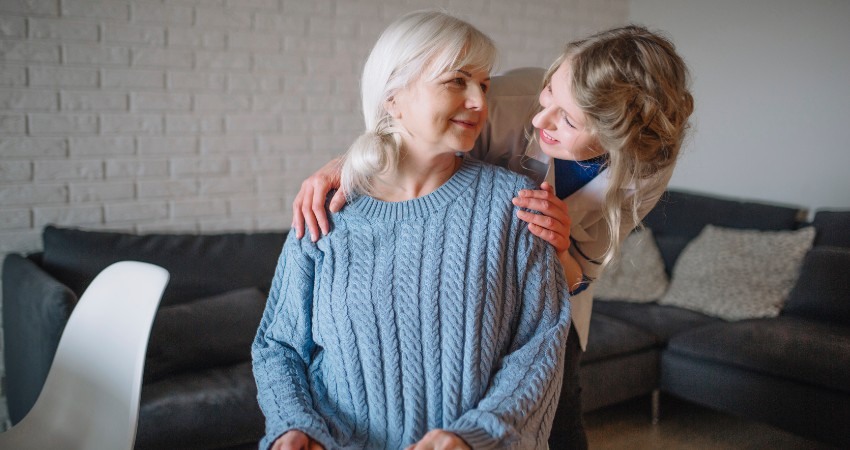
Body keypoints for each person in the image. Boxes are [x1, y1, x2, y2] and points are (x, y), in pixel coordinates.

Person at [291, 25, 694, 449]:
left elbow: (582, 273)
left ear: (618, 142)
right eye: (550, 92)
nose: (540, 120)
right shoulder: (504, 100)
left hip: (551, 297)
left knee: (558, 420)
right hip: (463, 290)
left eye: (569, 120)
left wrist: (559, 247)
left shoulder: (642, 171)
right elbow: (412, 134)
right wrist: (346, 164)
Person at [253, 10, 572, 450]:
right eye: (456, 81)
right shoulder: (327, 211)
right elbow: (279, 346)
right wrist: (293, 426)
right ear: (393, 95)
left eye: (484, 84)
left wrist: (474, 435)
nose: (479, 101)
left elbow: (541, 343)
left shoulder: (515, 205)